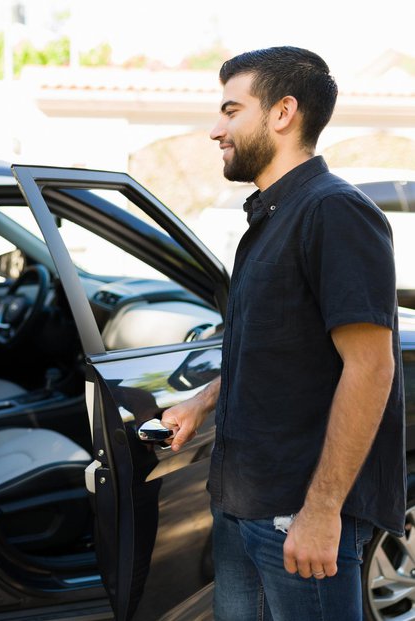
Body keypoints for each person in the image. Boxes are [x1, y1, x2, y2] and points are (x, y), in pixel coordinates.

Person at [162, 47, 405, 620]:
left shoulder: (335, 212)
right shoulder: (272, 217)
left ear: (282, 113)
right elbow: (275, 351)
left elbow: (371, 368)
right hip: (241, 505)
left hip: (296, 519)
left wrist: (321, 512)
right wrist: (201, 403)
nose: (216, 130)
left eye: (230, 110)